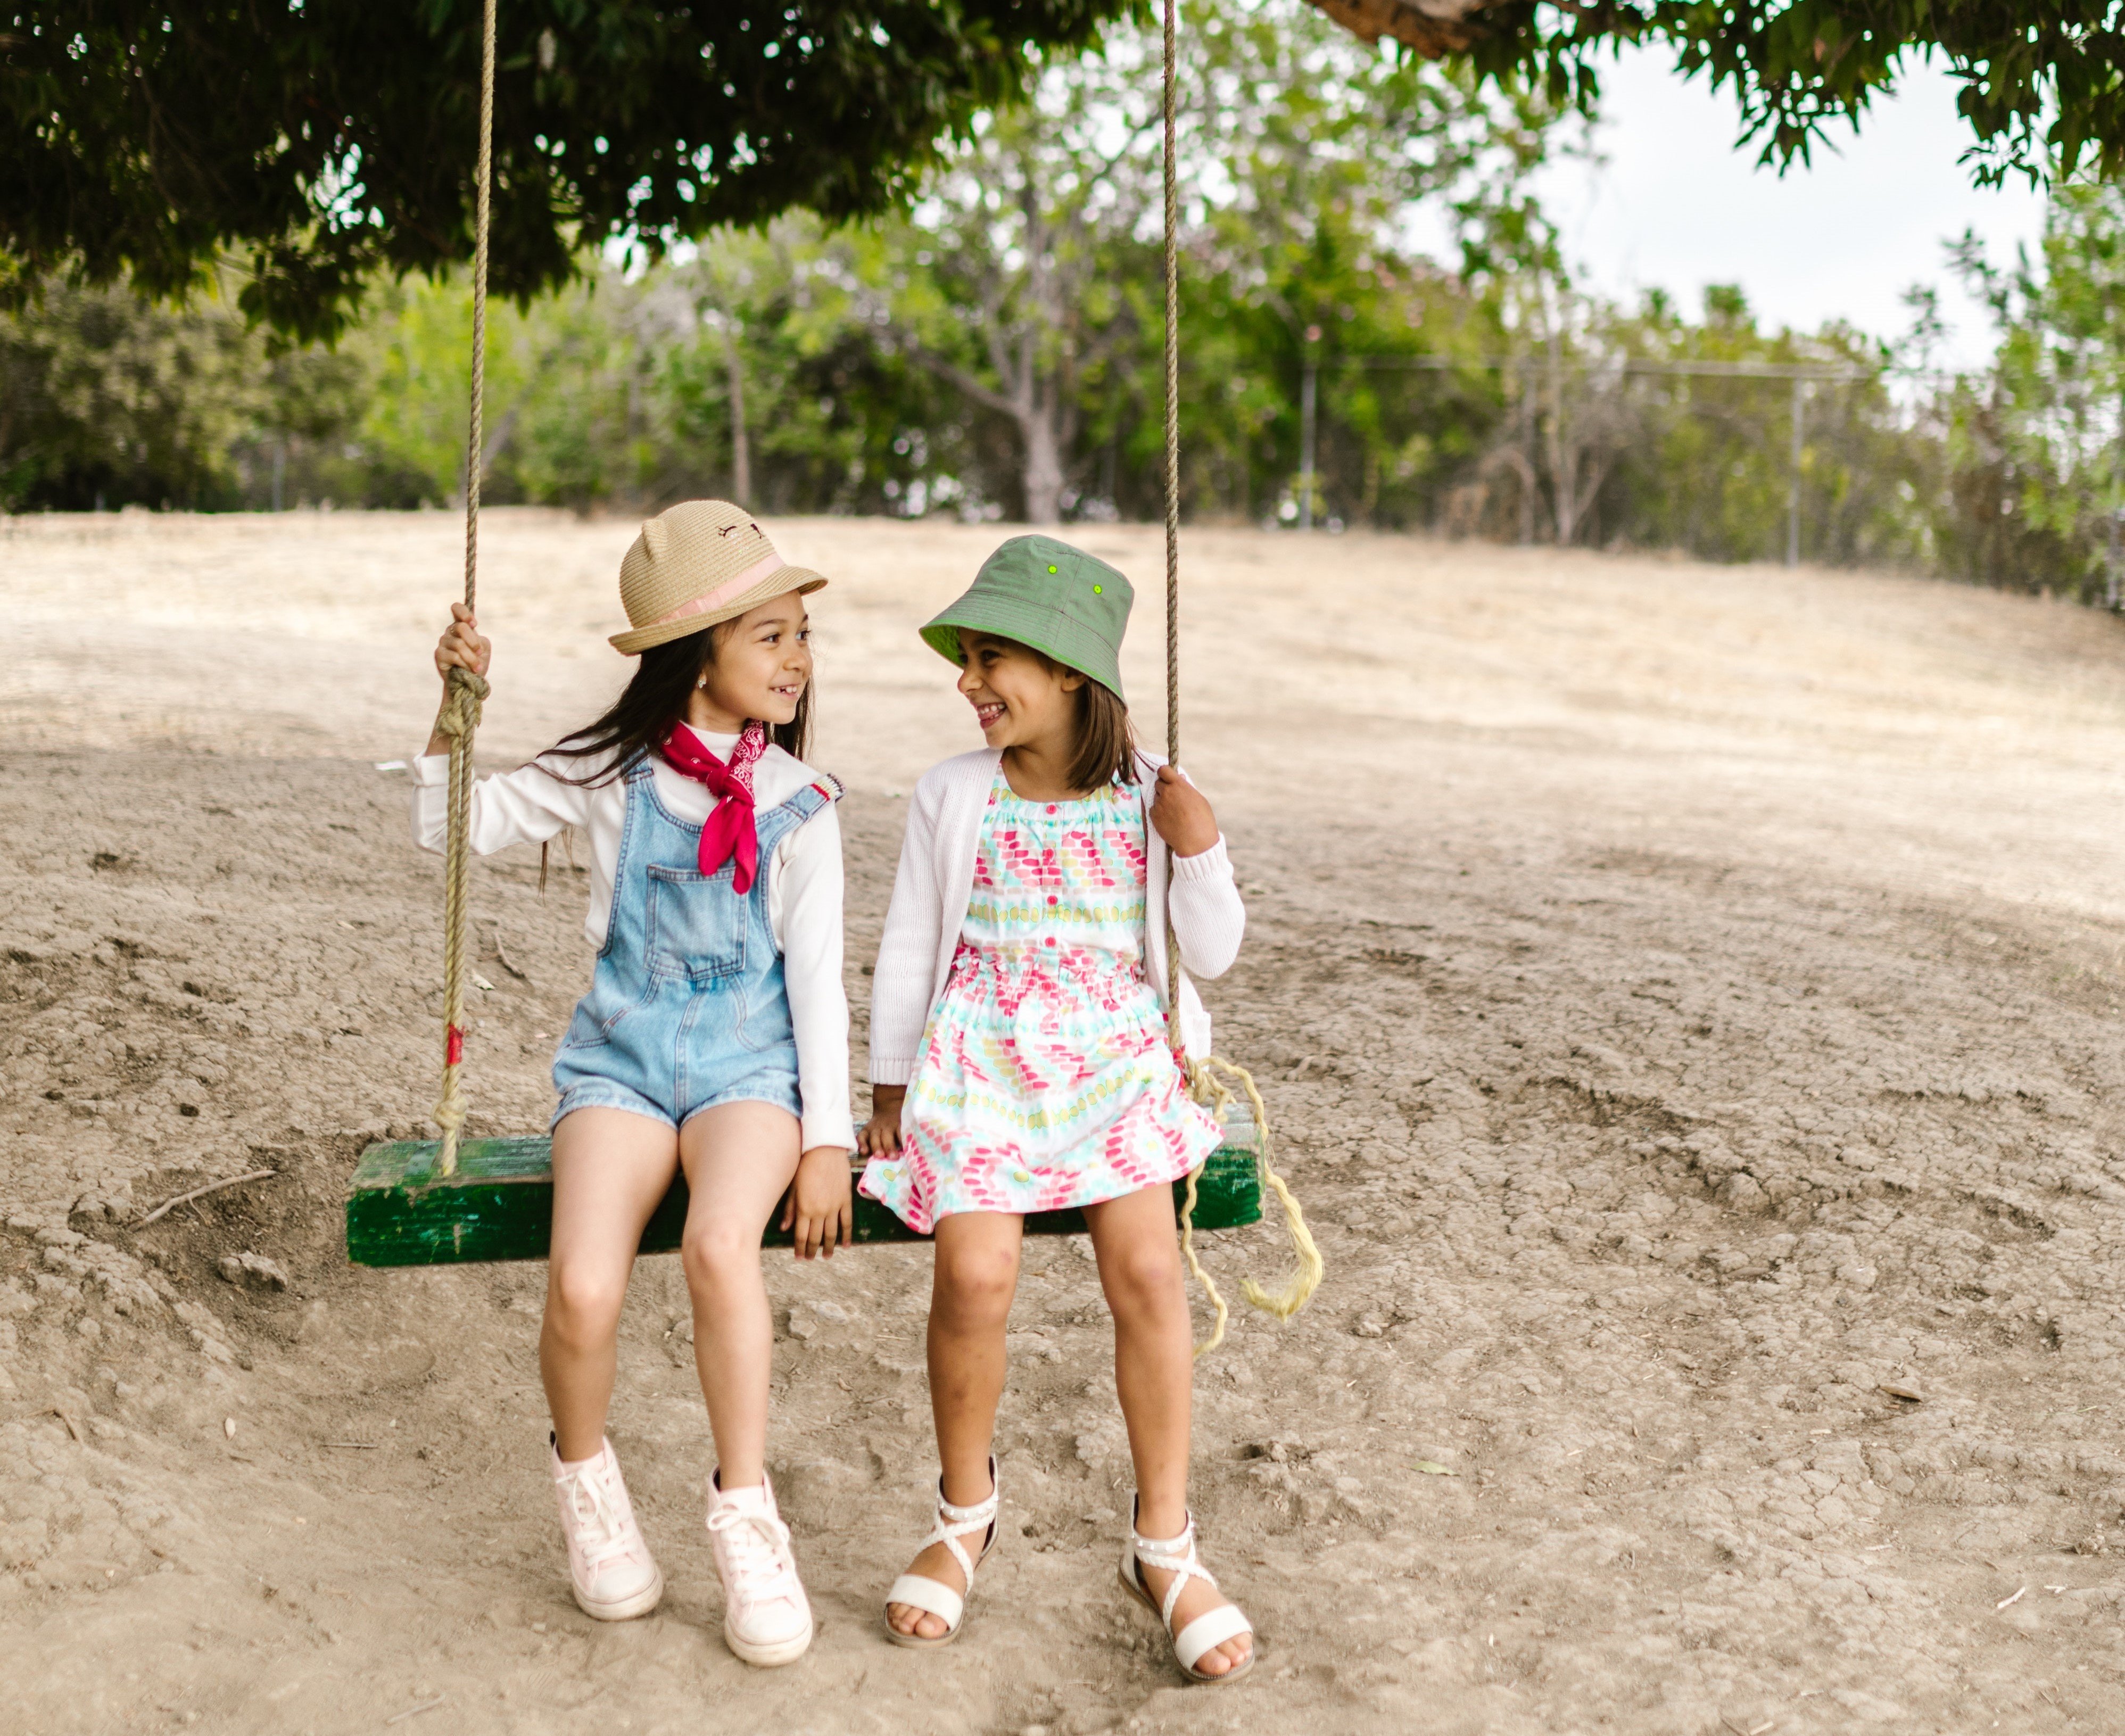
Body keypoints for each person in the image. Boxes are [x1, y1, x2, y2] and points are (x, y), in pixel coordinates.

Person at [412, 500, 850, 1667]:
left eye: (800, 632)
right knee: (585, 1285)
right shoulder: (611, 771)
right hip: (621, 1060)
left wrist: (829, 1140)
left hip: (751, 1066)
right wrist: (456, 708)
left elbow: (817, 988)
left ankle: (746, 1513)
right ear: (693, 650)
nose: (796, 658)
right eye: (769, 635)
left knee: (719, 1247)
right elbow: (447, 825)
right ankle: (587, 1483)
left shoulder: (802, 808)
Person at [857, 535, 1255, 1683]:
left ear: (1072, 670)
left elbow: (1212, 954)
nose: (967, 680)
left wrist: (1201, 848)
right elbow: (909, 946)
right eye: (967, 658)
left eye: (992, 658)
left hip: (1115, 1055)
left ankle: (1165, 1545)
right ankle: (961, 1515)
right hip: (980, 1054)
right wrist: (888, 1085)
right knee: (975, 1274)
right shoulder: (951, 791)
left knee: (1144, 1274)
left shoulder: (1152, 788)